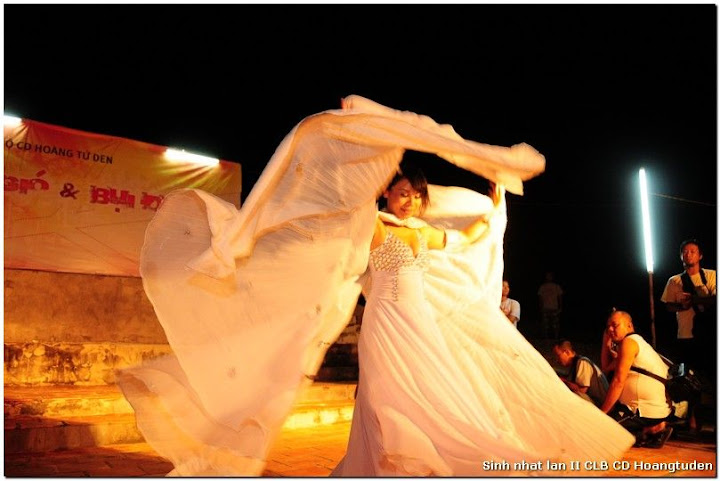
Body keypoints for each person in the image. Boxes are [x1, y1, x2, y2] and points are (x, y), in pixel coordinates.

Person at [118, 95, 633, 476]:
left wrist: (496, 204)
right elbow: (341, 192)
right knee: (385, 396)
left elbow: (472, 234)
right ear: (387, 193)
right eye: (401, 192)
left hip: (419, 323)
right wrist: (356, 123)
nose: (407, 200)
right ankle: (386, 464)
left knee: (433, 391)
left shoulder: (423, 234)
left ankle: (414, 461)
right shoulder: (372, 225)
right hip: (385, 323)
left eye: (414, 195)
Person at [600, 310, 674, 448]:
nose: (610, 329)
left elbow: (618, 382)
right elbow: (606, 368)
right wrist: (606, 342)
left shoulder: (629, 343)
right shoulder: (635, 343)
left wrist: (602, 413)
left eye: (615, 325)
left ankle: (650, 430)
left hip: (641, 410)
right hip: (648, 410)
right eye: (607, 327)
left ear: (629, 325)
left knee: (598, 430)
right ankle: (651, 430)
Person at [660, 238, 716, 377]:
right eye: (684, 252)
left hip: (710, 333)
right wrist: (682, 306)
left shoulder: (712, 275)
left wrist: (694, 300)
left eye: (692, 251)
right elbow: (668, 306)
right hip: (685, 335)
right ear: (680, 256)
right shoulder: (674, 281)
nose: (688, 254)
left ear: (700, 255)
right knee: (689, 376)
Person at [553, 339, 608, 407]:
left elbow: (582, 390)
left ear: (567, 352)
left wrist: (563, 381)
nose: (557, 360)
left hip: (600, 404)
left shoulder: (582, 362)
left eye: (558, 355)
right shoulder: (575, 364)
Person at [537, 271, 563, 339]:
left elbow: (560, 297)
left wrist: (560, 307)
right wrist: (541, 307)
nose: (549, 277)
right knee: (545, 324)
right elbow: (540, 298)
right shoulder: (543, 287)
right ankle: (546, 338)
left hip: (555, 308)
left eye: (550, 276)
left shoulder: (556, 286)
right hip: (545, 308)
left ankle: (556, 337)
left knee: (555, 324)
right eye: (547, 276)